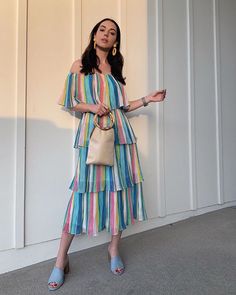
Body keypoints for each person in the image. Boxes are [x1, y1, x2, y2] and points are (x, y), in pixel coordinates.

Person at [48, 18, 166, 291]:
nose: (106, 34)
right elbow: (70, 102)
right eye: (102, 29)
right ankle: (60, 260)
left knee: (119, 192)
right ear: (94, 35)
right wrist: (91, 107)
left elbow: (123, 107)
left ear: (115, 42)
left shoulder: (114, 69)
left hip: (121, 138)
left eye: (112, 33)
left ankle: (113, 249)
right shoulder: (80, 66)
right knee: (81, 194)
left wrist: (149, 98)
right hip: (93, 138)